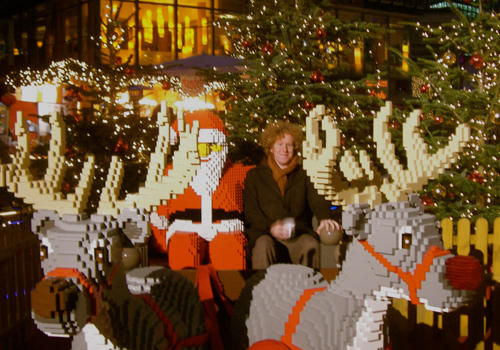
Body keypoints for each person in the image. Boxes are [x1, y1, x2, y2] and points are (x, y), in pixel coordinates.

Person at [243, 121, 341, 269]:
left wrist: (324, 218)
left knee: (310, 244)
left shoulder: (304, 174)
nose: (285, 149)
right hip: (266, 234)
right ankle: (261, 289)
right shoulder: (255, 176)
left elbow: (316, 199)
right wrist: (271, 227)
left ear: (295, 148)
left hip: (297, 235)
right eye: (280, 144)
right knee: (263, 245)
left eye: (289, 145)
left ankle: (308, 290)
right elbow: (251, 212)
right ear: (271, 147)